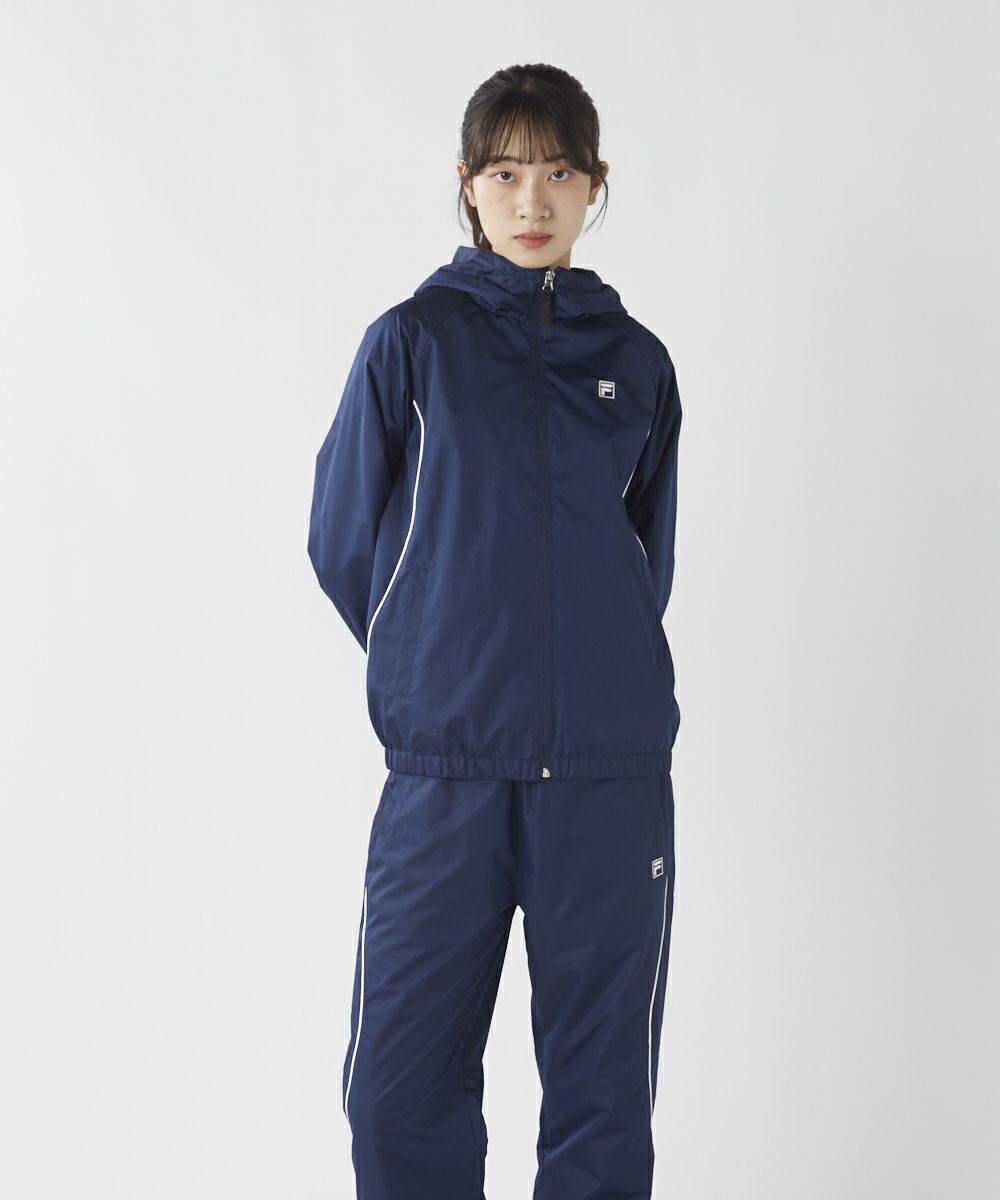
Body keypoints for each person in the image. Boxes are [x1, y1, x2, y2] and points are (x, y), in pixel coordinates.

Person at [307, 61, 682, 1200]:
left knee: (602, 1103)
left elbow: (643, 562)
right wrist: (438, 654)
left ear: (595, 185)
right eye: (508, 173)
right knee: (397, 1093)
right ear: (467, 183)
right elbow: (342, 539)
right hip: (446, 777)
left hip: (607, 783)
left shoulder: (636, 363)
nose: (532, 201)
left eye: (559, 174)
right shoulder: (412, 344)